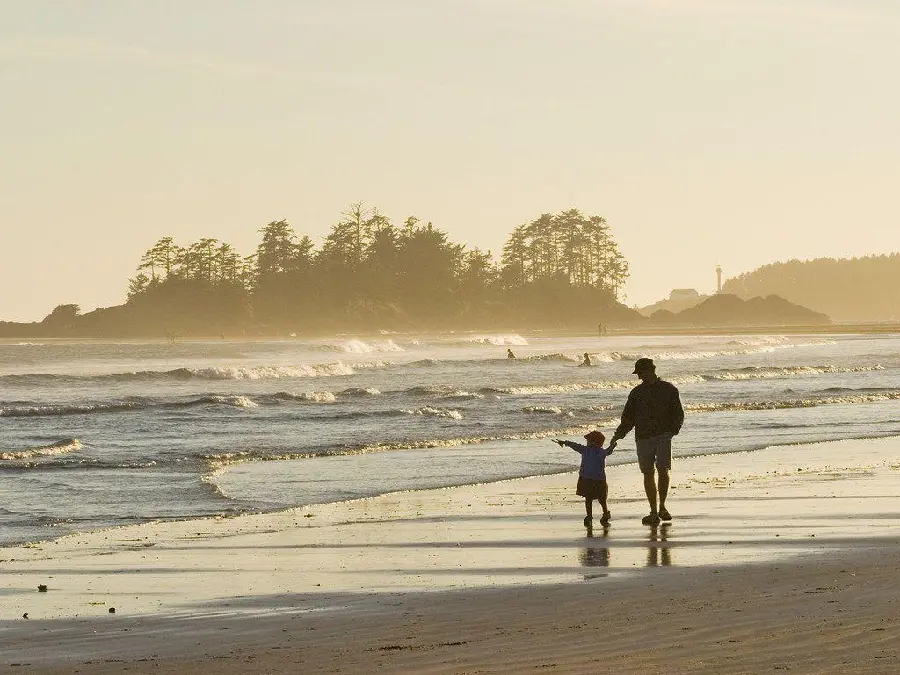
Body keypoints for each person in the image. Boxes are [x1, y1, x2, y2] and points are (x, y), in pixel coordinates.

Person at [608, 358, 684, 526]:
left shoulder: (669, 389)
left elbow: (678, 414)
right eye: (638, 374)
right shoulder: (636, 393)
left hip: (664, 435)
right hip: (643, 437)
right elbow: (628, 418)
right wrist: (617, 435)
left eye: (641, 373)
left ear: (651, 370)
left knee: (663, 469)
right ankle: (653, 511)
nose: (640, 377)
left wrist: (673, 430)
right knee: (648, 472)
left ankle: (662, 507)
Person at [553, 430, 613, 527]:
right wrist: (565, 442)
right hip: (588, 479)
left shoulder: (600, 452)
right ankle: (590, 516)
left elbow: (608, 452)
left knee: (601, 499)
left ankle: (605, 513)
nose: (587, 442)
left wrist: (612, 446)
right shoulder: (586, 449)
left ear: (594, 442)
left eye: (588, 440)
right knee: (589, 499)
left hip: (596, 479)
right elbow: (575, 445)